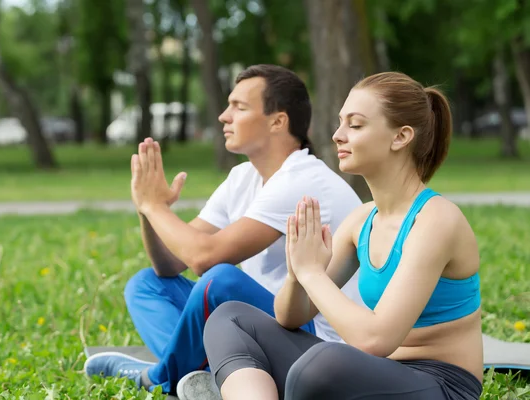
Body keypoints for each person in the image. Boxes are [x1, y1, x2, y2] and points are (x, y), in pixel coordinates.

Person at [83, 64, 364, 397]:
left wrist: (155, 207)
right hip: (257, 321)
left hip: (314, 335)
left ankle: (155, 376)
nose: (223, 116)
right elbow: (170, 264)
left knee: (220, 280)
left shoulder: (301, 180)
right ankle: (203, 376)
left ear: (278, 121)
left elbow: (204, 258)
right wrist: (148, 210)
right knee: (147, 285)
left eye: (239, 107)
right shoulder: (242, 177)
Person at [203, 71, 484, 400]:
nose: (338, 135)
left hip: (441, 386)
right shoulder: (362, 219)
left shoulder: (436, 220)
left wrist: (312, 274)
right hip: (372, 374)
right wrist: (299, 274)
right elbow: (290, 316)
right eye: (340, 123)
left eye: (356, 124)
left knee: (324, 364)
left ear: (401, 137)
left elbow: (376, 339)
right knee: (230, 318)